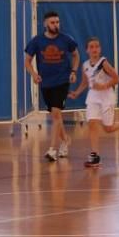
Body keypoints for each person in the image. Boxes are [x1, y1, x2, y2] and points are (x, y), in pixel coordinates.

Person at [68, 37, 119, 168]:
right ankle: (95, 155)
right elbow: (85, 82)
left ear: (100, 49)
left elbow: (117, 78)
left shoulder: (103, 63)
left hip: (106, 97)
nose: (94, 49)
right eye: (91, 47)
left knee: (107, 128)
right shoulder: (85, 65)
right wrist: (77, 92)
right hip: (93, 96)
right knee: (92, 123)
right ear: (87, 50)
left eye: (97, 46)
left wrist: (104, 86)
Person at [24, 10, 79, 162]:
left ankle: (52, 149)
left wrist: (73, 71)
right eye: (53, 22)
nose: (56, 25)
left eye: (57, 22)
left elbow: (76, 55)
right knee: (56, 116)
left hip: (62, 81)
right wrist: (34, 74)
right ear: (45, 24)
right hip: (45, 83)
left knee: (56, 113)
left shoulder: (66, 39)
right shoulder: (37, 41)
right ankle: (65, 140)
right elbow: (27, 61)